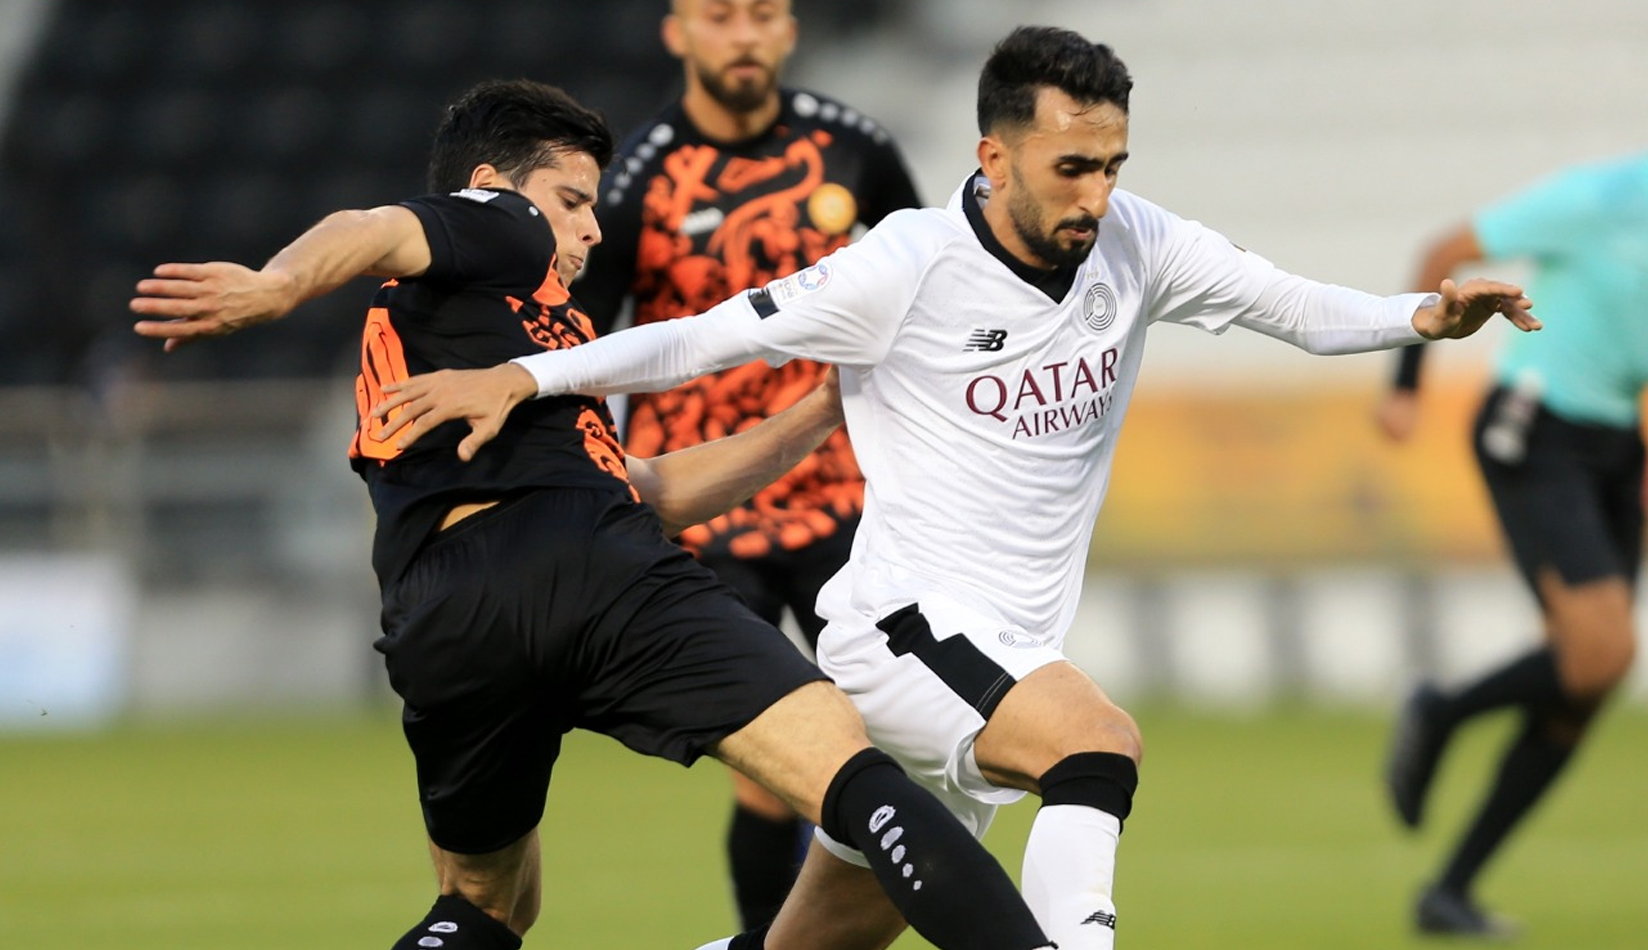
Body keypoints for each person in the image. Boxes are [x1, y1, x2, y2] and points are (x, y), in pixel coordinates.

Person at [367, 27, 1536, 950]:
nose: (1094, 194)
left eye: (1112, 164)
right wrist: (525, 374)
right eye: (1070, 167)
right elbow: (702, 338)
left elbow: (1282, 301)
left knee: (814, 941)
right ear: (992, 155)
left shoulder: (1136, 243)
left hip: (1005, 645)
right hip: (906, 630)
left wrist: (1420, 318)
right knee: (1095, 747)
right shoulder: (905, 266)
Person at [128, 78, 1054, 950]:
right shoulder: (500, 230)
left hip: (447, 611)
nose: (592, 230)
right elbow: (372, 225)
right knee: (852, 774)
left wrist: (824, 407)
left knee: (487, 905)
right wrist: (276, 285)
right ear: (492, 188)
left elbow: (652, 491)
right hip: (592, 569)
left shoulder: (492, 330)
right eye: (573, 199)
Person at [1374, 52, 1648, 936]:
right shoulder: (1599, 199)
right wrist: (1406, 380)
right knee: (1603, 651)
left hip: (1618, 443)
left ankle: (1451, 890)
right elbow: (1447, 250)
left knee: (1590, 683)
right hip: (1534, 421)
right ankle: (1440, 711)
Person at [572, 0, 921, 928]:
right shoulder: (633, 181)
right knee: (777, 769)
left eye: (762, 13)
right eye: (719, 15)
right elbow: (576, 340)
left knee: (901, 733)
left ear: (791, 29)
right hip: (704, 509)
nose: (743, 35)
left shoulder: (859, 151)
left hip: (846, 501)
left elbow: (932, 299)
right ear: (676, 32)